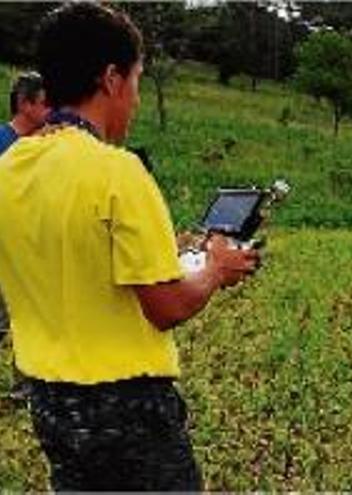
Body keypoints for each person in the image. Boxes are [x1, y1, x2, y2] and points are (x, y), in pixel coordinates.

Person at [0, 3, 259, 491]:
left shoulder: (9, 168)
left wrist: (172, 251)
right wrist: (216, 269)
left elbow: (66, 253)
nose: (137, 99)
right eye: (138, 79)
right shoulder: (117, 170)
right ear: (112, 78)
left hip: (51, 404)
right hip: (127, 407)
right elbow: (168, 305)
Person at [0, 72, 49, 401]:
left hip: (30, 248)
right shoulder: (3, 141)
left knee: (28, 317)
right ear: (24, 103)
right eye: (46, 103)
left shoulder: (44, 146)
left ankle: (27, 384)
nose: (52, 110)